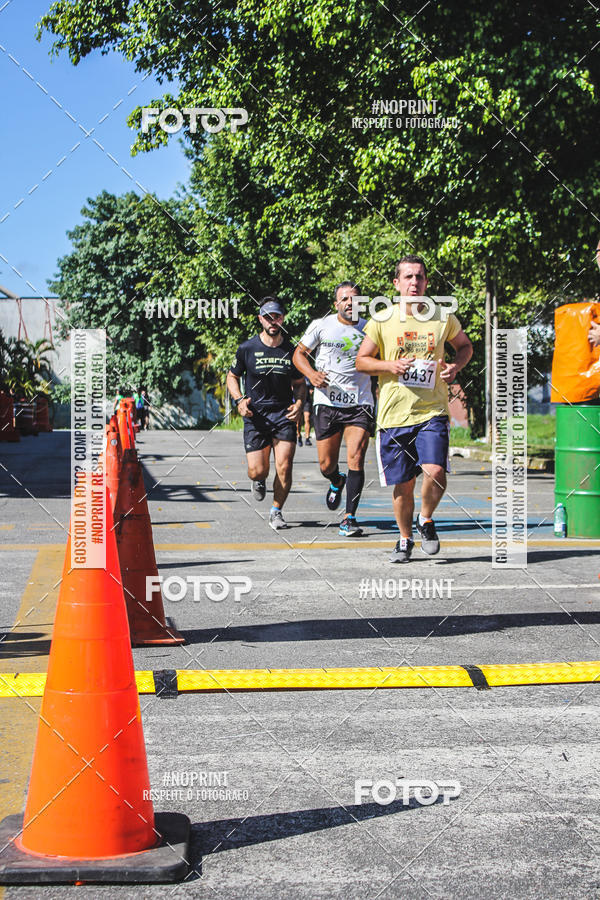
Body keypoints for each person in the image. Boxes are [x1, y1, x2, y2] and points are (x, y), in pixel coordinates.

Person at [356, 255, 473, 561]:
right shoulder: (381, 319)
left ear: (426, 282)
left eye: (419, 277)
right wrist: (389, 364)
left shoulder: (442, 317)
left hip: (432, 410)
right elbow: (362, 360)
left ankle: (426, 519)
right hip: (394, 415)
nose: (414, 283)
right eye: (407, 277)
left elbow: (465, 347)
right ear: (396, 284)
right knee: (403, 485)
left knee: (434, 471)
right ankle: (405, 538)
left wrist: (455, 366)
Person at [293, 281, 375, 536]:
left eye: (355, 299)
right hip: (327, 403)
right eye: (344, 299)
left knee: (356, 459)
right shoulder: (322, 325)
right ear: (336, 304)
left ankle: (349, 517)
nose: (350, 303)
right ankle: (336, 481)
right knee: (326, 465)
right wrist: (311, 375)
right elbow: (298, 354)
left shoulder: (371, 328)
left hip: (359, 402)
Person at [226, 298, 306, 530]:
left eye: (277, 317)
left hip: (284, 415)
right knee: (257, 470)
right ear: (260, 319)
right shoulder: (247, 348)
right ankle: (258, 480)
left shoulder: (291, 350)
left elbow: (300, 384)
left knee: (285, 465)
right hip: (256, 416)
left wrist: (300, 403)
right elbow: (232, 376)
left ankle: (276, 511)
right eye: (268, 317)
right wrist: (239, 400)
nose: (273, 321)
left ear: (283, 319)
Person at [297, 377, 314, 446]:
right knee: (298, 421)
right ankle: (299, 437)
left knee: (307, 419)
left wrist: (311, 391)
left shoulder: (308, 378)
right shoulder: (297, 376)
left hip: (307, 401)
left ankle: (307, 438)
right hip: (298, 401)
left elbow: (311, 389)